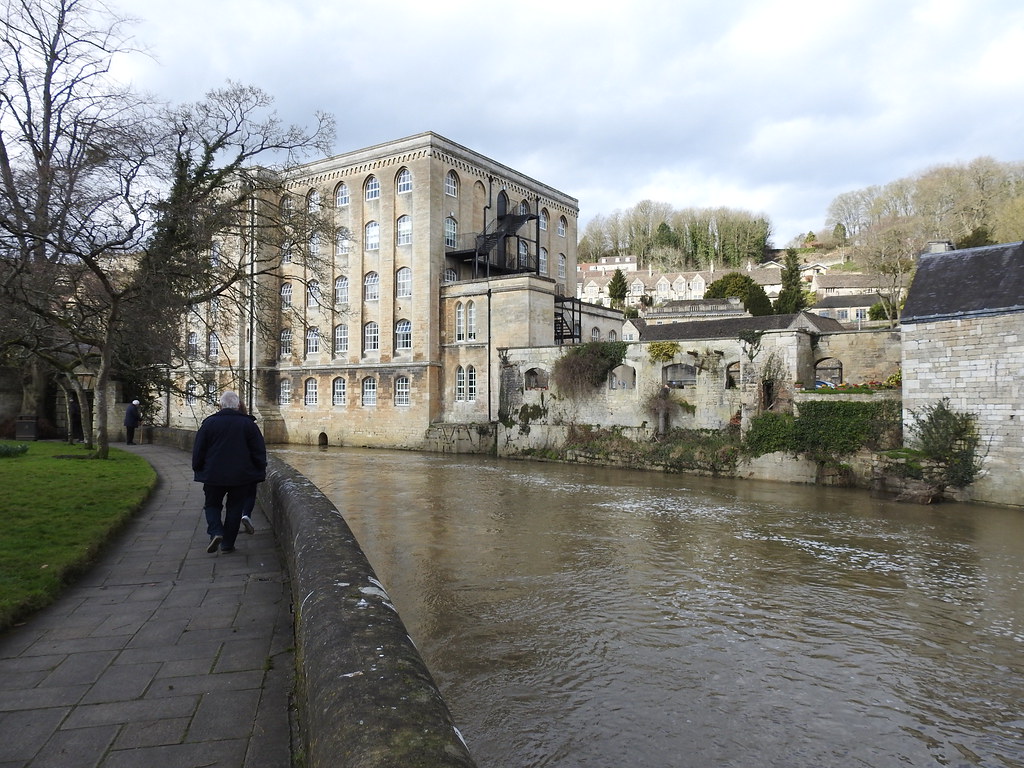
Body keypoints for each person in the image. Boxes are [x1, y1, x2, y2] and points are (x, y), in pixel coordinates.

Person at [192, 390, 267, 554]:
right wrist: (260, 469)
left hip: (213, 474)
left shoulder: (209, 424)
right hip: (240, 476)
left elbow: (199, 450)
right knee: (235, 508)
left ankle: (216, 531)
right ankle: (227, 544)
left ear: (220, 406)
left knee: (212, 505)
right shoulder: (249, 425)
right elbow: (258, 451)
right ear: (238, 406)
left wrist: (197, 467)